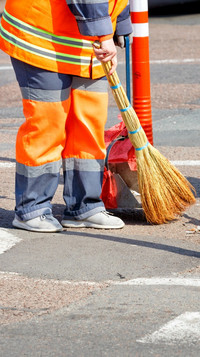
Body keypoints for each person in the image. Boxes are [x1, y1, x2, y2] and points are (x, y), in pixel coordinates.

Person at [0, 0, 133, 232]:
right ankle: (32, 209)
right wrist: (104, 35)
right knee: (47, 123)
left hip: (85, 40)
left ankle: (85, 207)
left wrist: (119, 26)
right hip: (42, 35)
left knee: (88, 123)